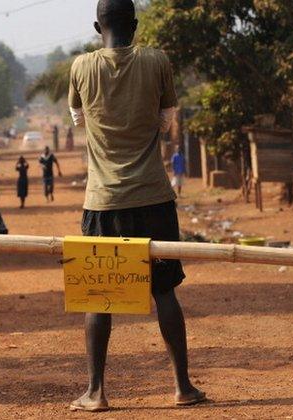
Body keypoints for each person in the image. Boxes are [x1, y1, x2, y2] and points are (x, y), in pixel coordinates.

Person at [67, 0, 206, 411]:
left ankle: (96, 392)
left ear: (97, 26)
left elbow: (78, 119)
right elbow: (166, 120)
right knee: (164, 291)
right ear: (136, 24)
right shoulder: (157, 60)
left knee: (98, 296)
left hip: (103, 201)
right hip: (154, 198)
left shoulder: (80, 67)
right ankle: (182, 386)